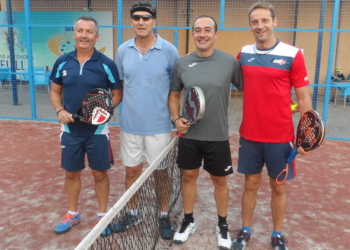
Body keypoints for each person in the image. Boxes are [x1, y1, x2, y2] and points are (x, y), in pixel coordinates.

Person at [232, 2, 313, 250]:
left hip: (281, 137)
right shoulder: (243, 53)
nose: (260, 25)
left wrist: (306, 136)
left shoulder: (293, 54)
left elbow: (303, 99)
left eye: (265, 20)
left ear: (274, 22)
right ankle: (245, 230)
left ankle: (277, 234)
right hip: (250, 136)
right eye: (255, 22)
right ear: (250, 25)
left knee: (278, 188)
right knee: (250, 185)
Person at [168, 15, 243, 250]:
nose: (202, 34)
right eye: (198, 30)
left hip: (218, 135)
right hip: (189, 136)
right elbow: (173, 96)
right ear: (193, 34)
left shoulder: (230, 63)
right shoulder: (181, 64)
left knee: (219, 181)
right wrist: (176, 119)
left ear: (216, 34)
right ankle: (188, 221)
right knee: (188, 178)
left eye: (207, 30)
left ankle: (222, 225)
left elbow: (250, 88)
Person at [111, 1, 180, 240]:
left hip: (159, 127)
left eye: (146, 18)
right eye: (136, 17)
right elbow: (119, 88)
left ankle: (163, 214)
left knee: (161, 173)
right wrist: (103, 111)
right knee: (132, 171)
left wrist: (176, 117)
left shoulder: (169, 50)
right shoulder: (122, 51)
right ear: (131, 21)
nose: (141, 22)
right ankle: (133, 212)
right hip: (130, 126)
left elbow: (176, 89)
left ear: (154, 21)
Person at [50, 15, 122, 236]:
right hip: (70, 131)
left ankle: (102, 216)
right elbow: (55, 91)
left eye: (89, 32)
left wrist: (103, 112)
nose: (84, 35)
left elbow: (117, 94)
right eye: (80, 31)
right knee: (72, 174)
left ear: (96, 36)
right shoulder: (62, 62)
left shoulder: (107, 64)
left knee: (100, 174)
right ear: (74, 34)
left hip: (98, 132)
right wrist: (60, 111)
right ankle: (73, 213)